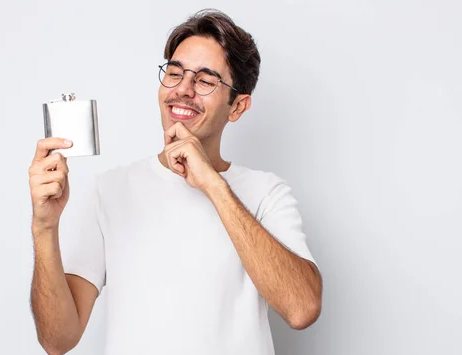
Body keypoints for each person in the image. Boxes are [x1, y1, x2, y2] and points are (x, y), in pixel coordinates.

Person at [28, 9, 323, 355]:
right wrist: (44, 227)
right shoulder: (109, 190)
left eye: (205, 80)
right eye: (174, 72)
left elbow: (302, 309)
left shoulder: (267, 194)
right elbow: (57, 340)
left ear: (238, 107)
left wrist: (213, 185)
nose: (183, 90)